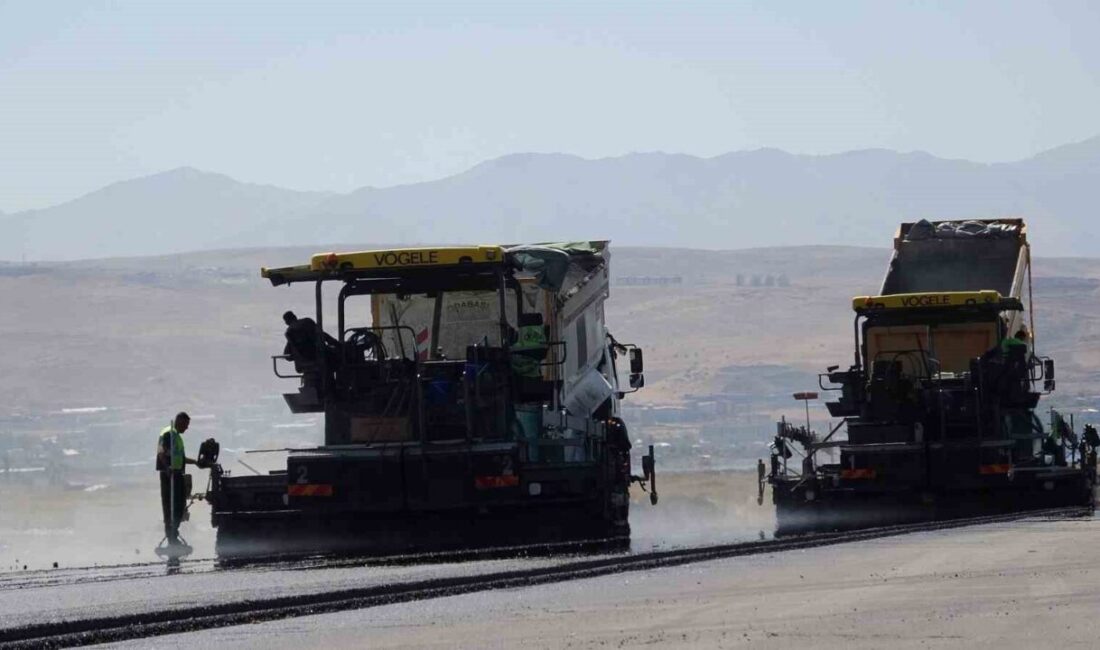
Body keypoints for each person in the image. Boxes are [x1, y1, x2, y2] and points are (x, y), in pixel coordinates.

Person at [156, 412, 196, 546]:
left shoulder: (177, 437)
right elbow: (161, 452)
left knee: (180, 505)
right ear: (179, 421)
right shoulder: (169, 433)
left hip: (178, 474)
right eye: (185, 424)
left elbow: (180, 458)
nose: (187, 428)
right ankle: (171, 536)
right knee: (170, 506)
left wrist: (196, 462)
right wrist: (167, 469)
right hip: (169, 475)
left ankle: (174, 533)